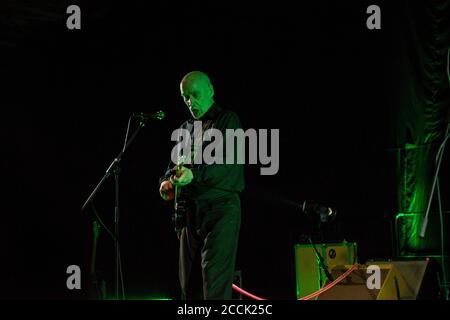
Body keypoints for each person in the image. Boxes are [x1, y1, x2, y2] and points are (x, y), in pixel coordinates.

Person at [159, 71, 245, 300]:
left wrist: (193, 176)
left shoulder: (228, 120)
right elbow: (172, 165)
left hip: (220, 209)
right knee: (188, 286)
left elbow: (228, 165)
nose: (190, 101)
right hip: (190, 212)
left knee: (214, 284)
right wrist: (166, 182)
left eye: (195, 94)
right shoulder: (186, 128)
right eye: (185, 96)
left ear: (211, 89)